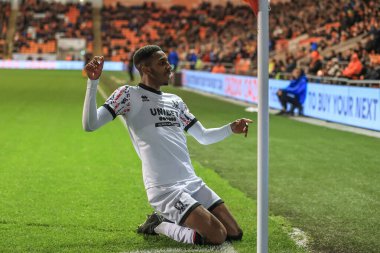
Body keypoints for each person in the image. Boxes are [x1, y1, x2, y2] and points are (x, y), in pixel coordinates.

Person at [82, 45, 253, 245]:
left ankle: (182, 216)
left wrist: (230, 129)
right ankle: (158, 224)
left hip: (191, 182)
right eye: (162, 62)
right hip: (165, 188)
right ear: (146, 69)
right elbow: (90, 124)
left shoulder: (175, 101)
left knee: (234, 233)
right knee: (216, 235)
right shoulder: (128, 95)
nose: (169, 66)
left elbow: (204, 136)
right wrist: (92, 83)